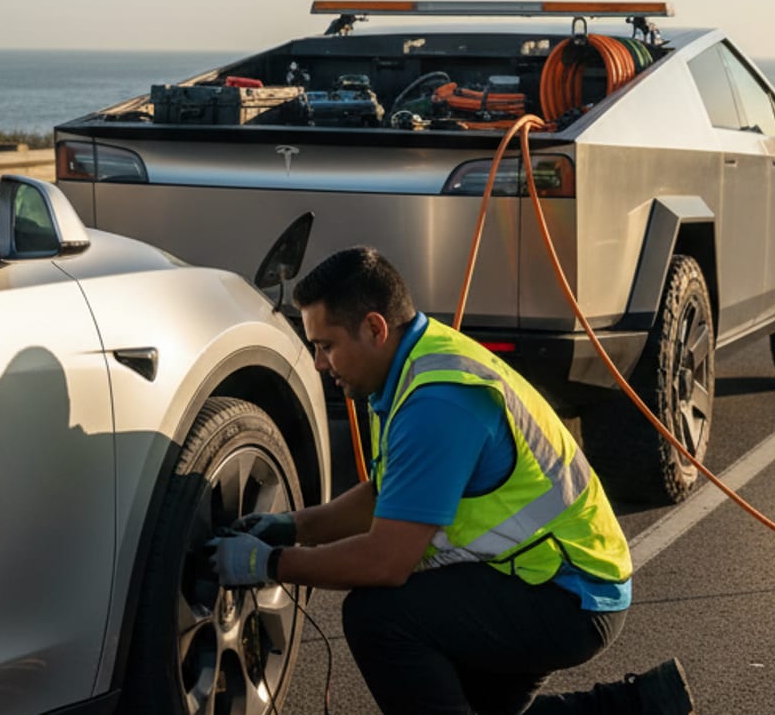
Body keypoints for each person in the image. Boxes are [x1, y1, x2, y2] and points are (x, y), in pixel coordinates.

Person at [209, 246, 696, 714]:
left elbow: (386, 562)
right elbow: (388, 494)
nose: (319, 363)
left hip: (567, 590)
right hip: (544, 576)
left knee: (378, 617)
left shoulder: (436, 401)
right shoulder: (409, 368)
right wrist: (293, 527)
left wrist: (270, 563)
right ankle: (648, 704)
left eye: (326, 345)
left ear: (374, 328)